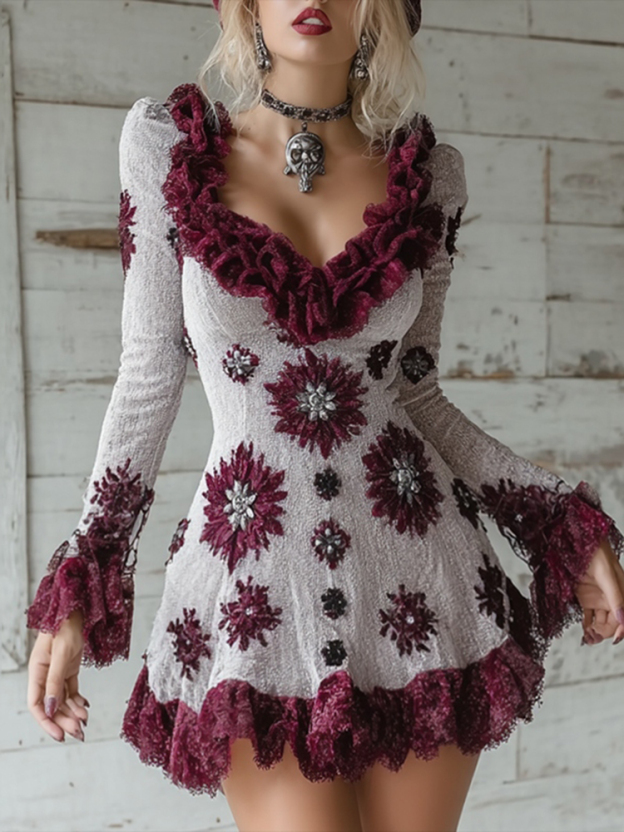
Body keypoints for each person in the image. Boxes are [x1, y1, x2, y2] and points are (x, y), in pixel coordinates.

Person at [25, 1, 624, 830]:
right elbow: (148, 373)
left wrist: (559, 521)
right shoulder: (168, 151)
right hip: (254, 608)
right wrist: (82, 578)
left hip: (427, 595)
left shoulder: (428, 177)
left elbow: (416, 391)